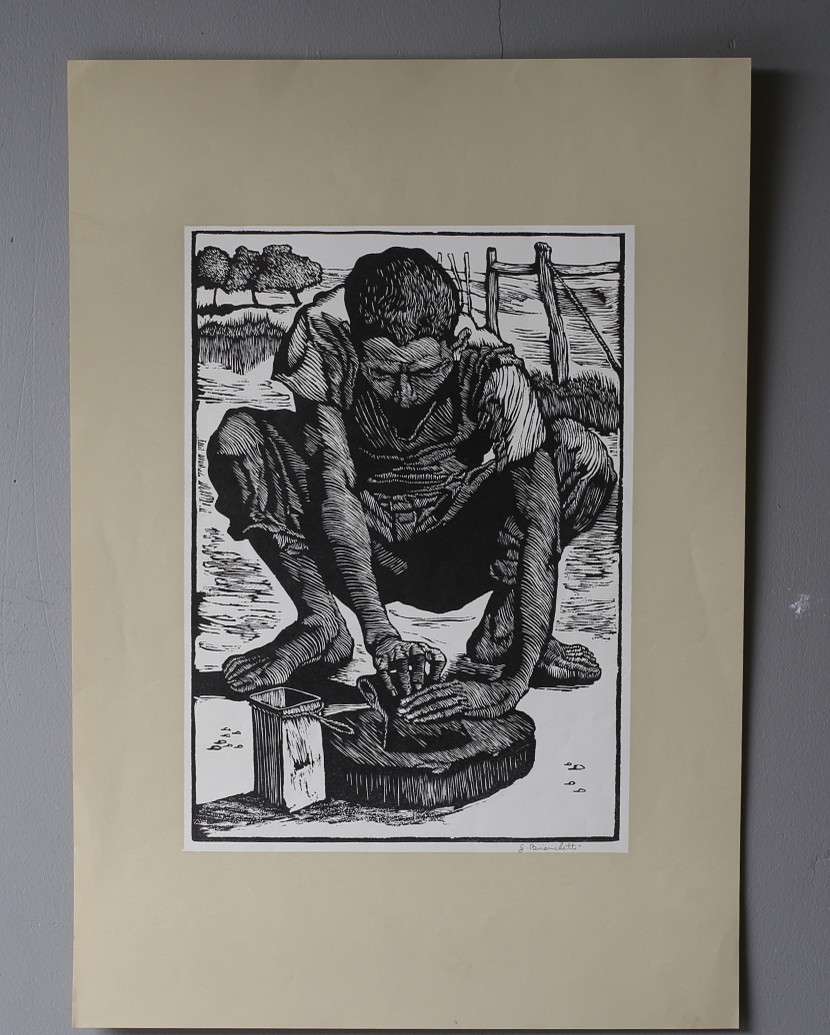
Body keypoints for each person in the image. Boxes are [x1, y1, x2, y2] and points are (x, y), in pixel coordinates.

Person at [207, 247, 616, 724]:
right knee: (239, 438)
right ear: (356, 344)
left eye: (424, 373)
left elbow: (539, 524)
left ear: (453, 345)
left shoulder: (494, 370)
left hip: (454, 548)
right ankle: (321, 622)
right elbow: (335, 487)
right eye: (382, 373)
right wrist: (381, 636)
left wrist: (510, 686)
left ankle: (509, 636)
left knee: (580, 455)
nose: (404, 394)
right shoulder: (323, 337)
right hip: (362, 544)